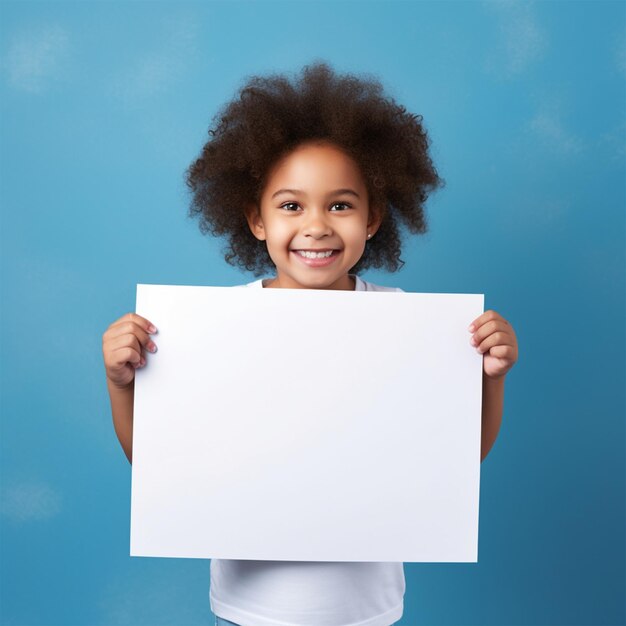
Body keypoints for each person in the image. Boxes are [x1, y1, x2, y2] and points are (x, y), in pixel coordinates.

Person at [102, 61, 519, 626]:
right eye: (291, 205)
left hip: (366, 607)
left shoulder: (406, 325)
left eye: (341, 205)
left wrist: (490, 377)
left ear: (373, 217)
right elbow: (158, 464)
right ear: (255, 218)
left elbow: (456, 460)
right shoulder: (213, 328)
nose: (317, 226)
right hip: (251, 604)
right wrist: (120, 381)